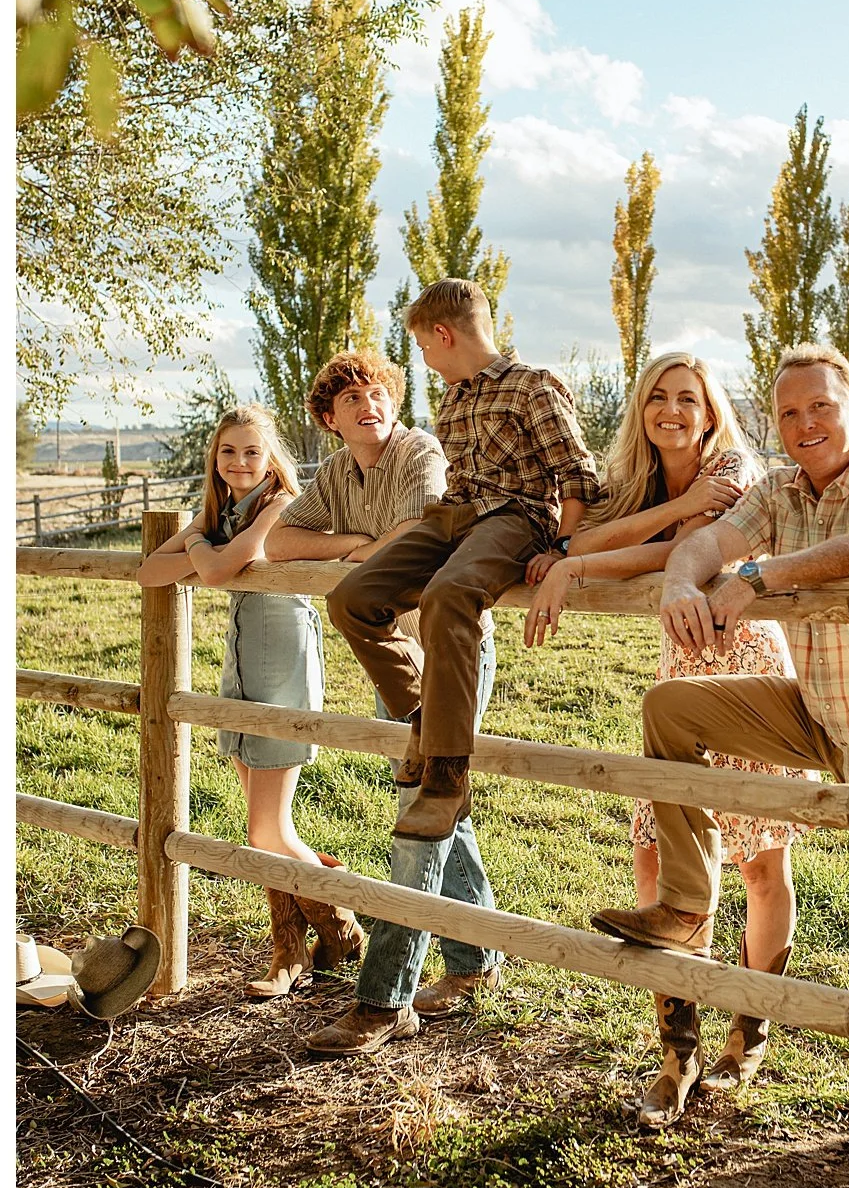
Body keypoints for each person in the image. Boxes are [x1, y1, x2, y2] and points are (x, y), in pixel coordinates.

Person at [587, 346, 849, 1043]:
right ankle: (684, 906)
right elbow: (706, 543)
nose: (805, 424)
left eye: (821, 406)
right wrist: (679, 583)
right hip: (821, 709)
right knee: (670, 707)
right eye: (790, 413)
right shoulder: (779, 490)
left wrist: (760, 577)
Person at [520, 350, 806, 1125]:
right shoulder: (641, 484)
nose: (671, 411)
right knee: (656, 864)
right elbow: (585, 544)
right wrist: (662, 513)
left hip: (743, 667)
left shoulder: (735, 470)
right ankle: (678, 1051)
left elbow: (677, 553)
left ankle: (750, 1029)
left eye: (688, 399)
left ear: (710, 414)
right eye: (658, 398)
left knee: (758, 862)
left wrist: (581, 567)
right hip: (678, 678)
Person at [319, 278, 600, 1048]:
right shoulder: (452, 401)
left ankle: (444, 766)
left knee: (449, 596)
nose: (421, 359)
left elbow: (577, 477)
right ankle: (423, 719)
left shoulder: (534, 386)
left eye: (420, 345)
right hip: (455, 517)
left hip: (515, 520)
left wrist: (562, 549)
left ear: (442, 334)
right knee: (354, 597)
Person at [266, 351, 505, 1058]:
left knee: (421, 810)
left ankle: (384, 999)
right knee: (440, 803)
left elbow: (424, 532)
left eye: (378, 394)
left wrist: (362, 553)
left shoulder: (419, 452)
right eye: (352, 400)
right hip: (390, 657)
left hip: (449, 653)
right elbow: (279, 540)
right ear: (329, 419)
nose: (369, 406)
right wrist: (359, 544)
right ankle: (475, 960)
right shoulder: (337, 474)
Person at [136, 404, 364, 995]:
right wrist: (203, 543)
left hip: (282, 661)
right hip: (242, 662)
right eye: (228, 451)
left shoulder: (280, 506)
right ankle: (295, 947)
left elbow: (216, 572)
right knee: (265, 826)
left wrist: (198, 548)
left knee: (267, 830)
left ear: (271, 459)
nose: (239, 461)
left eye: (252, 451)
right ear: (215, 458)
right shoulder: (222, 513)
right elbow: (148, 573)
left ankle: (338, 928)